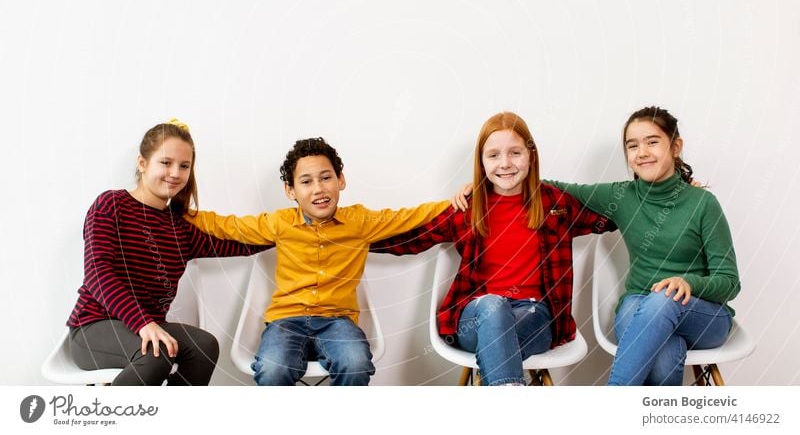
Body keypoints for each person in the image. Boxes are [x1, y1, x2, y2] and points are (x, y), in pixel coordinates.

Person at [456, 106, 741, 385]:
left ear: (676, 146)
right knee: (665, 353)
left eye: (652, 142)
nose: (642, 152)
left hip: (703, 316)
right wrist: (484, 184)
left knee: (664, 299)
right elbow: (552, 188)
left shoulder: (703, 204)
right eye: (632, 146)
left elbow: (730, 282)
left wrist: (687, 282)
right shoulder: (622, 196)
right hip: (640, 308)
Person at [371, 112, 613, 386]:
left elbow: (616, 216)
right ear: (481, 162)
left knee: (499, 341)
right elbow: (414, 238)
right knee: (492, 306)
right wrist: (349, 238)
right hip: (475, 317)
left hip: (535, 317)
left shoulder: (555, 203)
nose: (505, 164)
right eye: (494, 155)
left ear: (531, 156)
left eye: (515, 153)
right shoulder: (468, 206)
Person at [186, 137, 450, 386]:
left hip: (338, 321)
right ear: (290, 190)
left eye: (326, 178)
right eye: (306, 182)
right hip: (286, 320)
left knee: (355, 363)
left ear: (341, 180)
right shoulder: (280, 223)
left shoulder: (361, 222)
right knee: (272, 368)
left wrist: (457, 202)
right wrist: (182, 212)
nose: (319, 188)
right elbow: (228, 225)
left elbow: (412, 215)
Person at [67, 120, 266, 386]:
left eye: (184, 166)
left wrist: (293, 230)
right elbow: (98, 274)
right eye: (165, 162)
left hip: (144, 329)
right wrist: (143, 323)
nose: (175, 173)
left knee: (204, 346)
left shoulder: (180, 229)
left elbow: (240, 245)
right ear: (142, 163)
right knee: (156, 354)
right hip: (94, 327)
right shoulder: (110, 205)